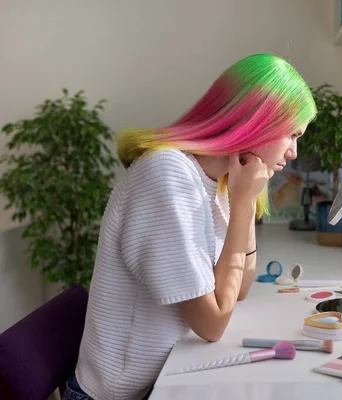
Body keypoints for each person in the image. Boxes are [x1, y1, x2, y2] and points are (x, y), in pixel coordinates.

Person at [62, 53, 317, 400]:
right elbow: (212, 323)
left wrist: (249, 192)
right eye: (291, 135)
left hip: (163, 379)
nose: (293, 153)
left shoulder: (218, 181)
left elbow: (239, 287)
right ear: (259, 122)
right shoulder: (167, 174)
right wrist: (243, 204)